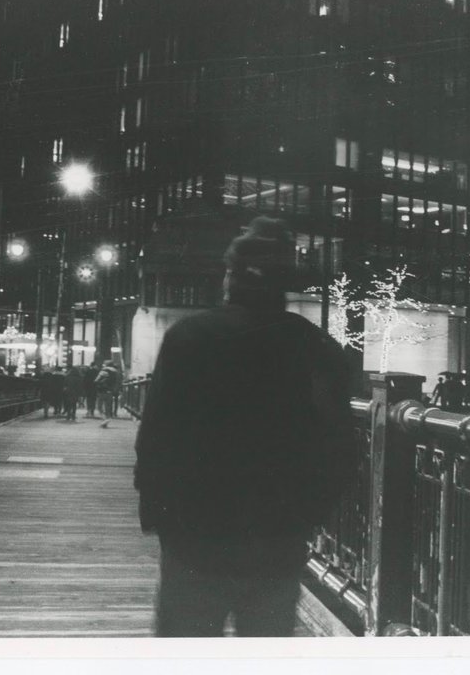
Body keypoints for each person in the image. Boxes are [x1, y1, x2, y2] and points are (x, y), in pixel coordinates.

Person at [134, 216, 355, 637]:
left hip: (196, 532)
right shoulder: (315, 348)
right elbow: (339, 445)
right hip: (276, 534)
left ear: (231, 277)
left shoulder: (189, 338)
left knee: (186, 648)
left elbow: (158, 434)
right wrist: (310, 512)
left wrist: (158, 511)